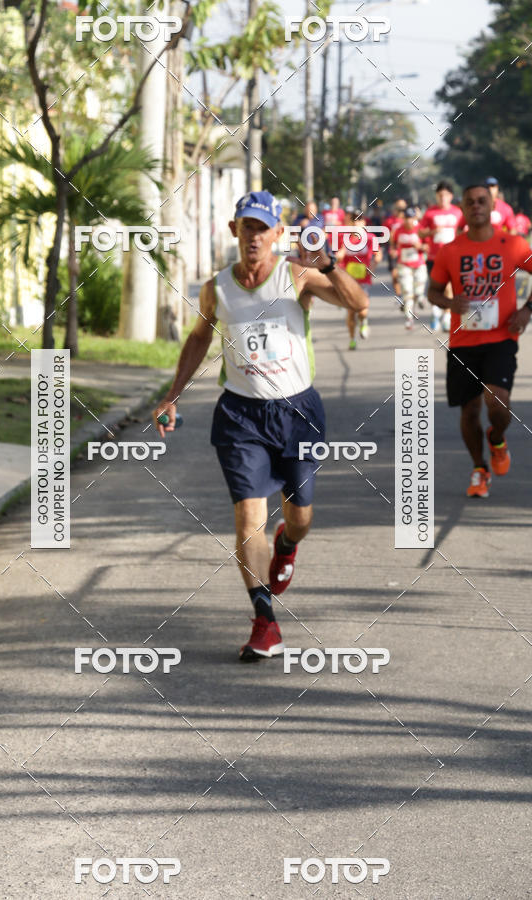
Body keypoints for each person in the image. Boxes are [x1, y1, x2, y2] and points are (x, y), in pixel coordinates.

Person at [153, 191, 368, 659]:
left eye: (263, 228)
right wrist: (172, 396)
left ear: (277, 234)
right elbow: (197, 339)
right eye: (247, 226)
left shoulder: (297, 275)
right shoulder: (216, 288)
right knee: (249, 518)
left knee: (300, 518)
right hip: (240, 415)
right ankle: (264, 621)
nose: (255, 236)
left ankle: (287, 545)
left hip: (298, 414)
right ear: (235, 231)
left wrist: (329, 265)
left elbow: (359, 304)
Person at [428, 183, 532, 498]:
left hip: (501, 337)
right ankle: (479, 468)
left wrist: (527, 310)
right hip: (463, 341)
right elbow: (432, 291)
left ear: (492, 205)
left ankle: (496, 438)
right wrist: (448, 304)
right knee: (469, 410)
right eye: (470, 202)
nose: (476, 206)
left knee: (497, 402)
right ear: (462, 207)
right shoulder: (450, 250)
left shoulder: (512, 244)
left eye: (482, 201)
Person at [419, 180, 462, 332]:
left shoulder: (458, 212)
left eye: (445, 195)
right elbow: (420, 232)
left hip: (453, 257)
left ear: (451, 196)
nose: (442, 198)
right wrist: (431, 232)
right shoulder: (430, 213)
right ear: (436, 196)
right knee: (436, 287)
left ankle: (446, 316)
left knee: (450, 286)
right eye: (440, 195)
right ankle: (436, 313)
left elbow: (465, 231)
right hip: (434, 257)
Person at [336, 207, 381, 348]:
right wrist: (339, 257)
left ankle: (364, 321)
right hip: (349, 280)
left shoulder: (370, 238)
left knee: (362, 310)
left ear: (364, 223)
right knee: (350, 312)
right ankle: (352, 339)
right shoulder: (344, 238)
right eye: (354, 220)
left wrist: (371, 268)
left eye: (359, 220)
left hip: (363, 279)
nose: (356, 223)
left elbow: (378, 255)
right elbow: (339, 256)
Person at [393, 207, 427, 329]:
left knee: (418, 292)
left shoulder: (420, 230)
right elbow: (394, 243)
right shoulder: (398, 230)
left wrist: (420, 246)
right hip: (404, 265)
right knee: (407, 292)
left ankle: (419, 300)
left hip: (419, 264)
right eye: (406, 218)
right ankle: (409, 318)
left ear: (414, 218)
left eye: (411, 218)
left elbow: (428, 246)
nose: (408, 221)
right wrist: (393, 251)